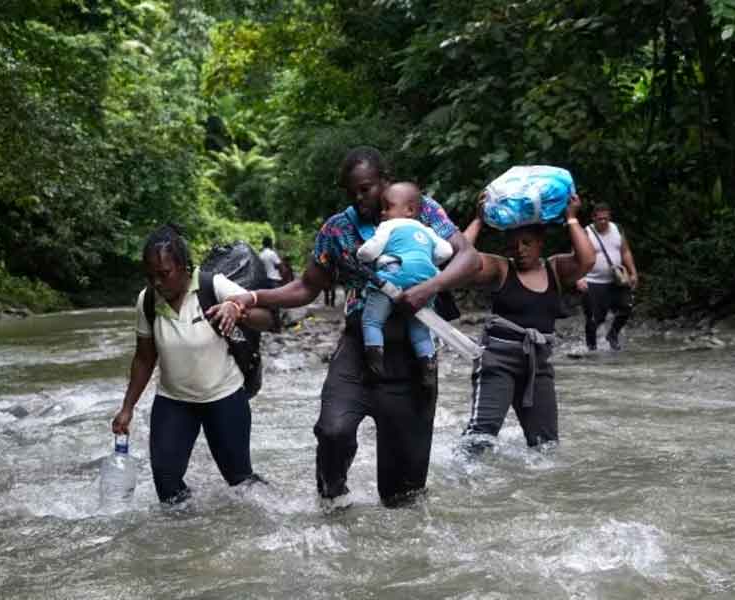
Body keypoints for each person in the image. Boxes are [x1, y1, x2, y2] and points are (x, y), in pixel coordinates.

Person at [228, 146, 480, 508]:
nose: (360, 199)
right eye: (352, 192)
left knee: (402, 497)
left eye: (366, 189)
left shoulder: (420, 209)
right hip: (359, 345)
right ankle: (334, 501)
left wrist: (429, 288)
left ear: (385, 181)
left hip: (413, 355)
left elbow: (467, 258)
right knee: (332, 430)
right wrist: (252, 297)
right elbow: (306, 287)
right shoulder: (338, 228)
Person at [111, 224, 274, 504]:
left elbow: (269, 318)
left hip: (224, 397)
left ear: (185, 267)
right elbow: (144, 358)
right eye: (150, 277)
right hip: (173, 401)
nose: (157, 283)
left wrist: (237, 310)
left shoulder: (213, 286)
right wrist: (127, 408)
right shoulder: (148, 301)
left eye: (164, 274)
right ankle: (187, 537)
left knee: (239, 479)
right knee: (166, 482)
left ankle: (272, 511)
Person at [459, 193, 595, 453]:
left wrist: (571, 218)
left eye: (527, 243)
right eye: (513, 245)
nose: (519, 250)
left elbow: (587, 260)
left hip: (537, 366)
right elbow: (462, 260)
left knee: (546, 447)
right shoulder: (501, 269)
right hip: (497, 362)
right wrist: (478, 220)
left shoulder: (555, 269)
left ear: (540, 244)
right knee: (480, 438)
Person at [357, 182, 454, 382]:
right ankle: (427, 366)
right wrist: (426, 260)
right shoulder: (425, 229)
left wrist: (360, 255)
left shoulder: (388, 225)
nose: (382, 212)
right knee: (419, 329)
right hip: (425, 282)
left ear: (409, 210)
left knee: (372, 321)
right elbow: (447, 251)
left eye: (388, 207)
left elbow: (370, 251)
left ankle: (375, 361)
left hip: (394, 274)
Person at [576, 203, 639, 351]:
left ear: (609, 217)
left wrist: (633, 272)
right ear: (593, 218)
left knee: (626, 307)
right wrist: (579, 278)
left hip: (616, 281)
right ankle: (591, 348)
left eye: (606, 218)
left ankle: (613, 334)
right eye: (600, 219)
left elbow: (625, 252)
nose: (603, 222)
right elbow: (577, 256)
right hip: (593, 281)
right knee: (593, 319)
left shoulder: (617, 229)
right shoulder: (586, 233)